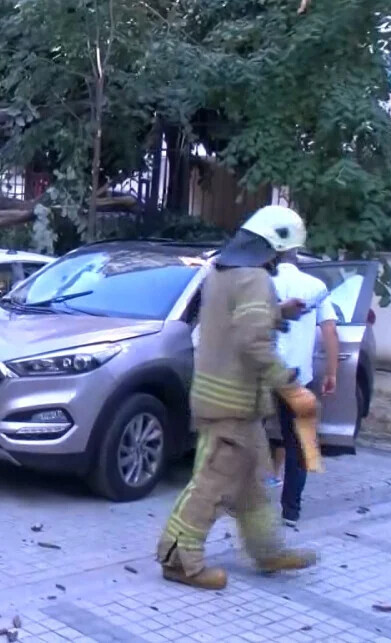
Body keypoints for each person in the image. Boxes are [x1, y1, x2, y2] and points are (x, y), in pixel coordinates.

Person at [156, 204, 320, 590]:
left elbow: (236, 320)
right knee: (210, 486)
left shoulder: (220, 271)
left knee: (251, 489)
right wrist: (289, 385)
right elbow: (252, 340)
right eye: (283, 251)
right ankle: (178, 558)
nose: (283, 259)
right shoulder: (255, 280)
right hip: (234, 404)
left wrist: (279, 312)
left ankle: (267, 552)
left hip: (226, 400)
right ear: (272, 246)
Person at [268, 249, 338, 527]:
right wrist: (331, 372)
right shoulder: (316, 286)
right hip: (298, 377)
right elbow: (330, 331)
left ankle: (241, 502)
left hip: (261, 372)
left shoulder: (262, 283)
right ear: (297, 257)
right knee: (299, 442)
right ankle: (291, 511)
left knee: (247, 434)